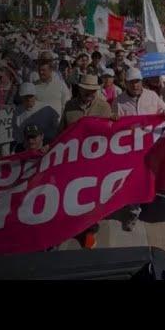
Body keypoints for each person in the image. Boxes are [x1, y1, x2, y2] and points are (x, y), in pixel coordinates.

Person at [59, 74, 114, 249]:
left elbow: (110, 134)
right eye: (87, 90)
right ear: (80, 89)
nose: (90, 93)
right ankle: (73, 226)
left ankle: (90, 230)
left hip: (96, 163)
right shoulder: (69, 107)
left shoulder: (104, 107)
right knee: (74, 196)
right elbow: (62, 132)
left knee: (92, 198)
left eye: (93, 90)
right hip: (74, 161)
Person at [113, 68, 165, 231]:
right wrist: (115, 119)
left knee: (150, 177)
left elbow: (164, 109)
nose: (135, 85)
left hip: (152, 146)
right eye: (131, 82)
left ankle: (149, 200)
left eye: (137, 81)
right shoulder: (119, 101)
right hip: (131, 149)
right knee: (133, 179)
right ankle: (133, 211)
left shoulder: (152, 96)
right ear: (126, 84)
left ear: (141, 81)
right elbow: (115, 126)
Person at [12, 82, 59, 152]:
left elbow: (57, 130)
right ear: (21, 97)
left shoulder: (46, 109)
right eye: (26, 96)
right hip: (27, 148)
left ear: (35, 95)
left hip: (46, 148)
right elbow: (17, 133)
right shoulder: (17, 112)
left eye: (31, 96)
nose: (28, 99)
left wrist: (50, 145)